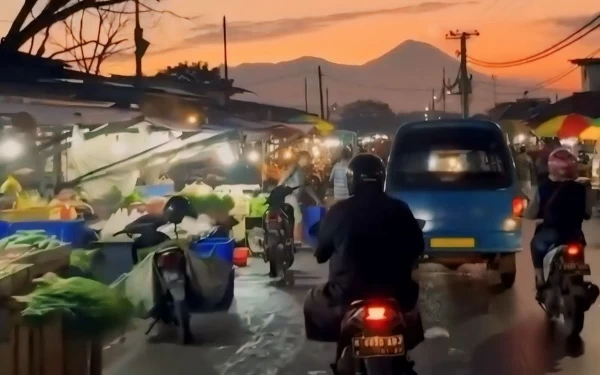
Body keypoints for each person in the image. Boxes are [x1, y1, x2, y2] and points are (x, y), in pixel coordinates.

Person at [303, 153, 425, 354]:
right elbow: (417, 247)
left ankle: (341, 352)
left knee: (311, 299)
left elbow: (321, 254)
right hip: (397, 291)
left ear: (352, 180)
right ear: (381, 179)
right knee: (413, 313)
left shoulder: (338, 211)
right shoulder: (400, 209)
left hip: (347, 293)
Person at [524, 148, 593, 299]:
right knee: (579, 252)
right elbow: (588, 214)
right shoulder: (582, 189)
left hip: (550, 234)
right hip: (575, 234)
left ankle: (541, 280)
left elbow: (530, 213)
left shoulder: (542, 188)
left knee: (536, 245)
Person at [278, 150, 320, 241]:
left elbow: (306, 187)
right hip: (289, 196)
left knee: (294, 219)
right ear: (303, 158)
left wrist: (317, 199)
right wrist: (279, 185)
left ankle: (293, 240)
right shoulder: (295, 165)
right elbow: (287, 173)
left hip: (294, 198)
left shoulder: (302, 171)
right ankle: (297, 241)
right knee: (298, 218)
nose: (310, 161)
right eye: (308, 159)